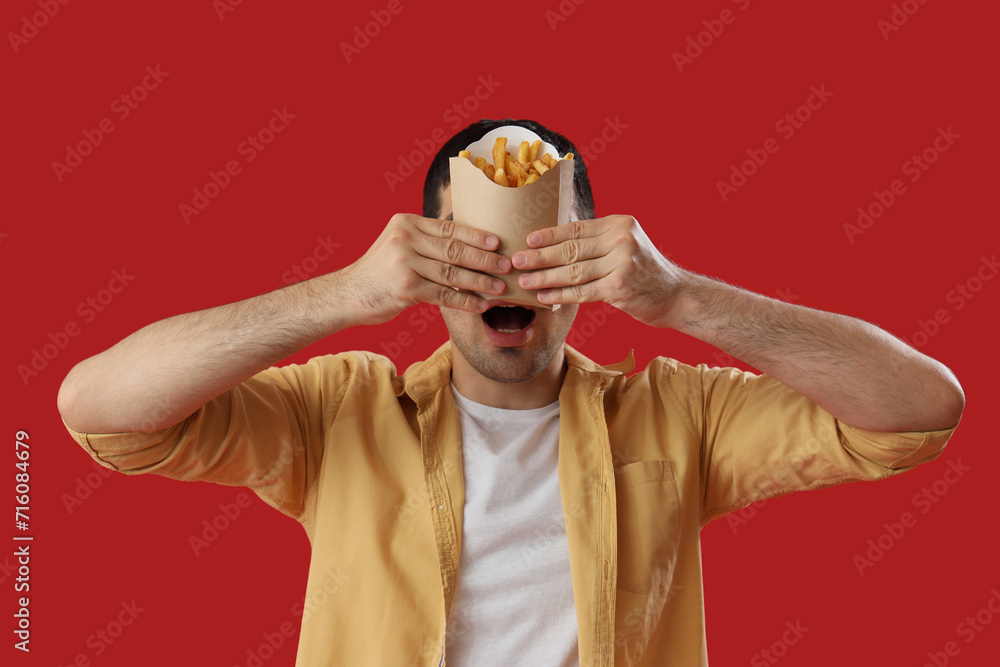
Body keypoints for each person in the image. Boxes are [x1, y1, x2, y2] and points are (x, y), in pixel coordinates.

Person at [58, 118, 964, 666]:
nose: (508, 274)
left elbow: (918, 409)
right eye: (466, 244)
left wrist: (679, 296)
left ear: (593, 262)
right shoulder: (340, 412)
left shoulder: (678, 414)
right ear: (424, 255)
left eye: (549, 246)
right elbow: (102, 409)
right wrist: (345, 293)